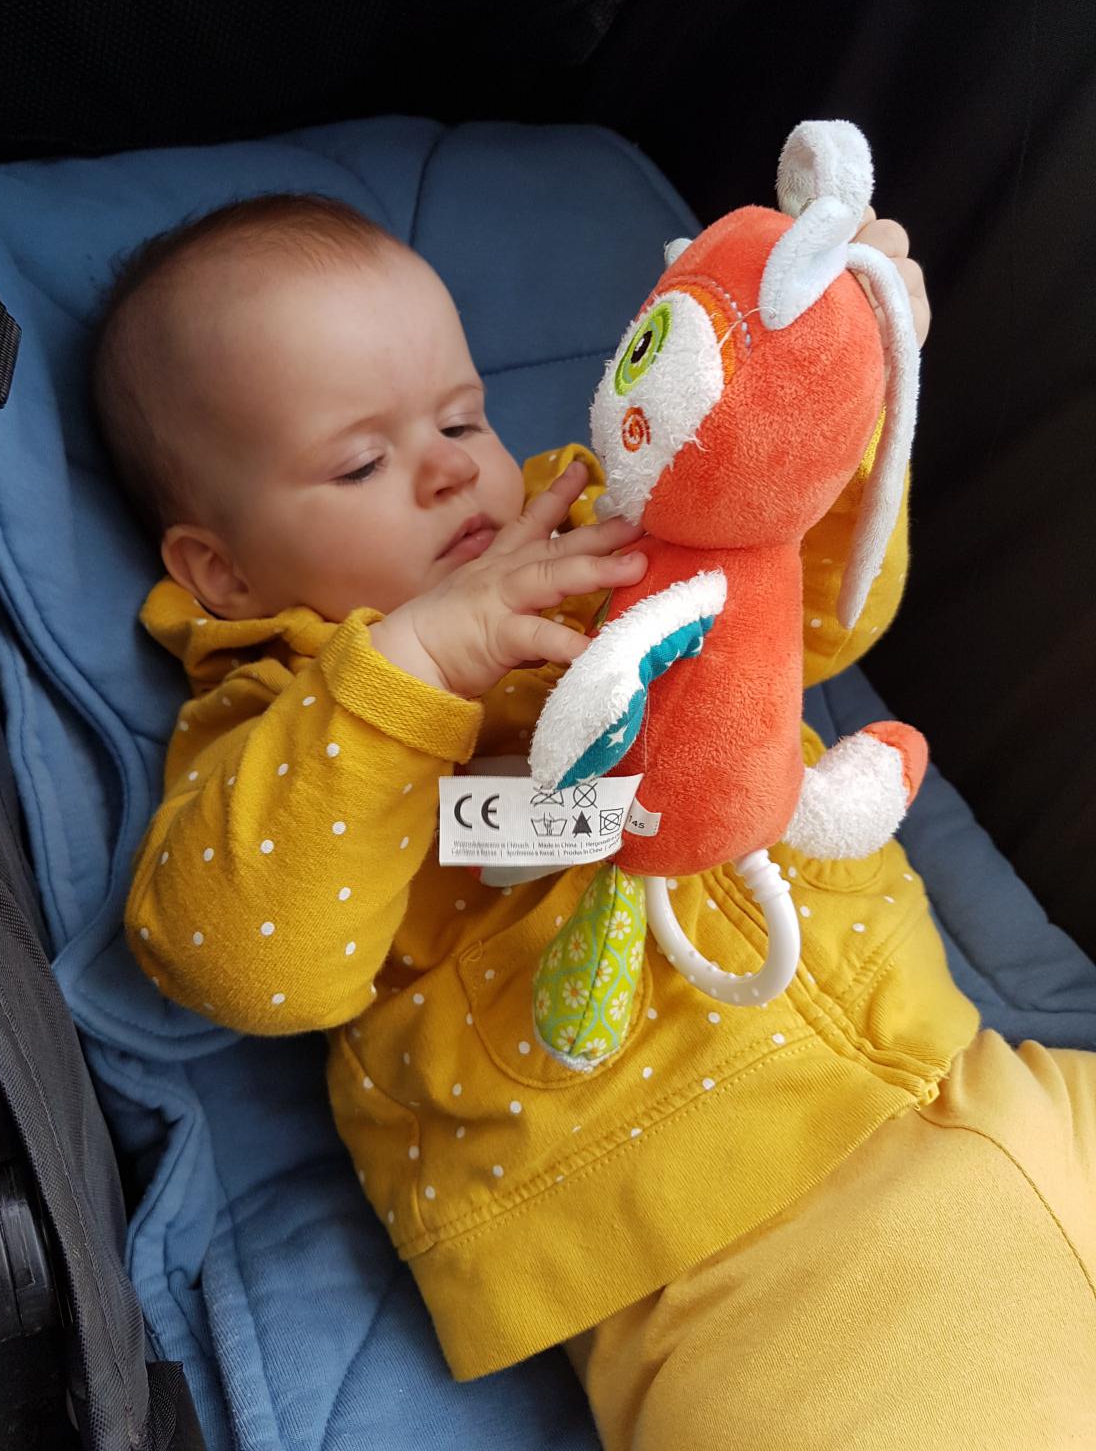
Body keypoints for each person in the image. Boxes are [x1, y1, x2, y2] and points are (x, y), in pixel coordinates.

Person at [93, 192, 1095, 1448]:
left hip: (974, 1070)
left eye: (460, 416)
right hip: (733, 1245)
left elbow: (812, 614)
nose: (450, 466)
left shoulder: (593, 519)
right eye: (361, 463)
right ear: (223, 570)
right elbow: (244, 959)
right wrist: (408, 671)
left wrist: (836, 398)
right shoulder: (273, 732)